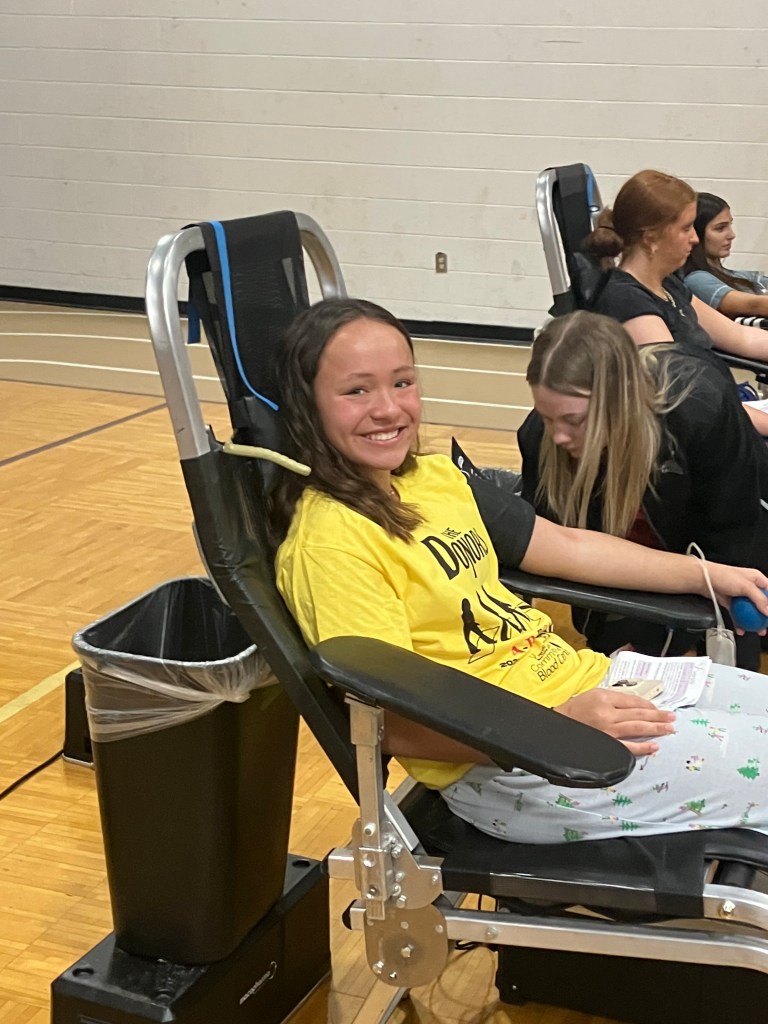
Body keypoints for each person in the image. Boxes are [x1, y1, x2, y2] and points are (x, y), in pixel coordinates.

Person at [269, 297, 768, 844]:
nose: (389, 408)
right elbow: (387, 724)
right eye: (356, 391)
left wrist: (706, 575)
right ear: (307, 407)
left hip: (586, 687)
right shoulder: (331, 545)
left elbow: (567, 546)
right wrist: (555, 725)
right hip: (525, 760)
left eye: (402, 382)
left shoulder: (432, 479)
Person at [518, 309, 768, 669]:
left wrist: (684, 634)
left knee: (736, 655)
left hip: (721, 540)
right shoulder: (538, 439)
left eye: (574, 421)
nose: (558, 435)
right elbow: (556, 549)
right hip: (626, 566)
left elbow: (734, 537)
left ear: (621, 401)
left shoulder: (701, 409)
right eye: (546, 417)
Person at [585, 169, 768, 434]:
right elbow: (686, 398)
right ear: (651, 238)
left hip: (720, 414)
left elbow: (741, 337)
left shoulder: (667, 284)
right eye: (686, 228)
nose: (695, 238)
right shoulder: (628, 303)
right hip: (698, 434)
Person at [683, 192, 768, 321]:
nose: (731, 235)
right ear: (696, 233)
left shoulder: (739, 276)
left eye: (730, 225)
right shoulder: (696, 279)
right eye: (720, 228)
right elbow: (754, 305)